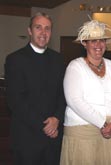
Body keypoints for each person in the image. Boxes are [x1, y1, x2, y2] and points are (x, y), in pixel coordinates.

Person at [60, 20, 111, 165]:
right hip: (82, 130)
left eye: (101, 40)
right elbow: (74, 100)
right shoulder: (75, 66)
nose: (98, 45)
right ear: (85, 43)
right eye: (93, 41)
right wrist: (103, 124)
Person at [4, 12, 66, 165]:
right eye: (38, 27)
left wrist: (57, 119)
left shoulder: (58, 59)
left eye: (47, 28)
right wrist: (45, 125)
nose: (43, 33)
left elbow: (63, 95)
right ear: (30, 31)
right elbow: (15, 101)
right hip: (27, 138)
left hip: (54, 139)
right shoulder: (15, 59)